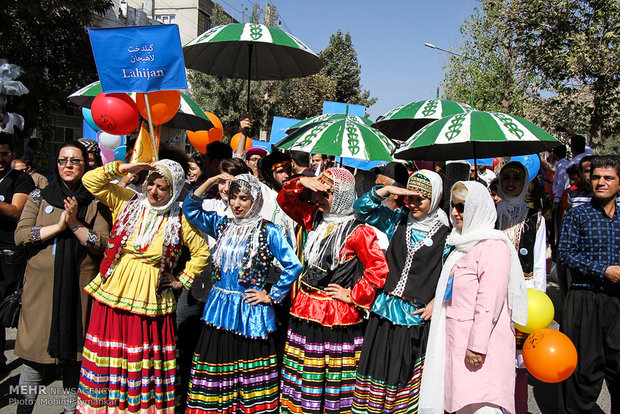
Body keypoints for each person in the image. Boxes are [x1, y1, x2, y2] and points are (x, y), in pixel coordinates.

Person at [76, 159, 210, 414]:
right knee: (110, 347)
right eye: (151, 184)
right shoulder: (127, 201)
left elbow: (202, 253)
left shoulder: (180, 218)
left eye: (162, 187)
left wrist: (181, 280)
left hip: (151, 295)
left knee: (142, 353)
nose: (153, 191)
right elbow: (90, 181)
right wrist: (125, 169)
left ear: (174, 190)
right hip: (115, 287)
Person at [182, 173, 302, 414]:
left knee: (248, 368)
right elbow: (190, 208)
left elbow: (294, 265)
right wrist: (212, 179)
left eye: (244, 198)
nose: (236, 204)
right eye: (234, 197)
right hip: (219, 307)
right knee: (218, 362)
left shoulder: (268, 230)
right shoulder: (222, 224)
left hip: (249, 311)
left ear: (255, 200)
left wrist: (272, 295)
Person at [277, 167, 389, 414]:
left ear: (340, 196)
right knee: (304, 369)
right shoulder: (313, 217)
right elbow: (284, 201)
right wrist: (300, 182)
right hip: (305, 307)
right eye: (317, 194)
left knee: (329, 375)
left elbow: (378, 269)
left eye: (325, 195)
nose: (317, 199)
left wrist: (353, 295)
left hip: (335, 316)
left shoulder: (358, 231)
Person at [14, 141, 110, 413]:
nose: (68, 165)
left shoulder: (95, 200)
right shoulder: (39, 196)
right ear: (56, 164)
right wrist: (58, 226)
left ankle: (71, 410)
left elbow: (102, 244)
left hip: (78, 290)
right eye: (62, 160)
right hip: (40, 291)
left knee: (73, 360)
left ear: (86, 164)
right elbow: (21, 236)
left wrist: (75, 225)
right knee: (33, 360)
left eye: (75, 161)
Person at [419, 181, 528, 414]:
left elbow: (490, 302)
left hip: (480, 346)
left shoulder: (492, 247)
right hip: (456, 340)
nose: (456, 213)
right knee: (463, 405)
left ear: (479, 208)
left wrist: (477, 346)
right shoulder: (461, 243)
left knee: (483, 405)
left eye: (463, 207)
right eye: (454, 207)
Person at [351, 170, 451, 414]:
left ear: (435, 198)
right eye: (411, 197)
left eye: (421, 199)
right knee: (376, 366)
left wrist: (437, 301)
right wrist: (386, 191)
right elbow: (360, 210)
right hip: (384, 310)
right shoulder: (396, 220)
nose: (414, 204)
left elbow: (452, 273)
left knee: (401, 373)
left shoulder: (447, 235)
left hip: (414, 316)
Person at [557, 155, 620, 414]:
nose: (601, 182)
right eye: (596, 177)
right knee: (583, 373)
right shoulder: (578, 214)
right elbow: (565, 254)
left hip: (617, 302)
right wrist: (603, 271)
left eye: (608, 178)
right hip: (585, 301)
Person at [495, 161, 546, 414]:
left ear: (525, 183)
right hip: (494, 293)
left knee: (518, 361)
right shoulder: (490, 213)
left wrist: (538, 300)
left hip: (524, 293)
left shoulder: (536, 218)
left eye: (517, 177)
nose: (511, 182)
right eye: (506, 177)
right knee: (493, 355)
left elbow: (538, 265)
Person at [0, 134, 34, 374]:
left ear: (12, 155)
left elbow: (15, 211)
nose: (0, 159)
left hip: (8, 252)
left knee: (6, 308)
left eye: (4, 154)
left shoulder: (21, 180)